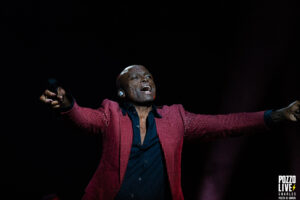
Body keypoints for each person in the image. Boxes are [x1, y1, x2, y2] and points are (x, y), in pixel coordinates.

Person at [39, 65, 300, 200]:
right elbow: (84, 118)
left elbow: (225, 124)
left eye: (149, 77)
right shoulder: (111, 114)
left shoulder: (176, 119)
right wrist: (69, 106)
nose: (145, 80)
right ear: (122, 92)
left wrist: (274, 115)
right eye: (137, 77)